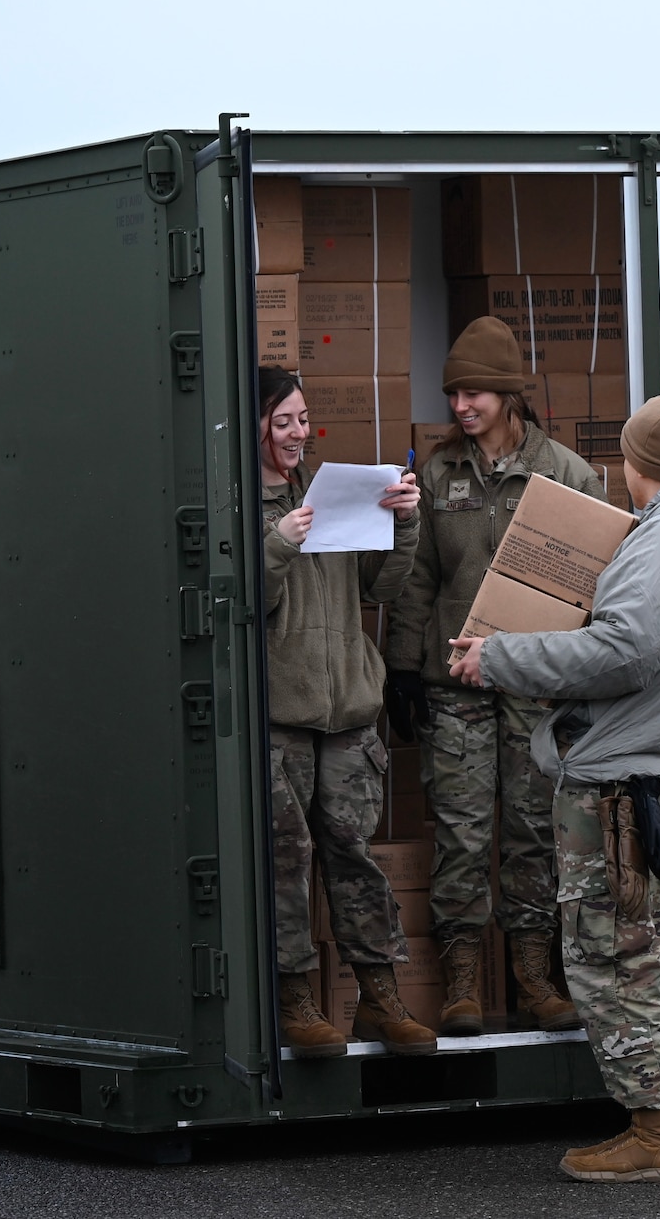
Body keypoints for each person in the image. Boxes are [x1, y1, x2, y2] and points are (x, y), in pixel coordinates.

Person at [449, 397, 660, 1183]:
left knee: (609, 955)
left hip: (624, 781)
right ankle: (656, 1118)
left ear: (639, 464)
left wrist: (500, 660)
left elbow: (625, 651)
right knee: (632, 947)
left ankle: (657, 1133)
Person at [384, 317, 608, 1036]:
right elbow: (417, 578)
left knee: (535, 833)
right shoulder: (436, 473)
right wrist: (402, 668)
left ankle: (535, 978)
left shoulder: (566, 474)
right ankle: (461, 983)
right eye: (453, 394)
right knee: (460, 830)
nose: (461, 407)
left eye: (474, 393)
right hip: (457, 686)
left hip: (537, 687)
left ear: (511, 395)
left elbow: (595, 586)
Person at [256, 365, 436, 1057]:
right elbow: (243, 604)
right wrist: (278, 544)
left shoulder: (329, 493)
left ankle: (378, 997)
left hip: (349, 715)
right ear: (256, 428)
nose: (298, 433)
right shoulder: (240, 503)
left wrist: (405, 523)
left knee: (353, 853)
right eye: (283, 422)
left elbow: (381, 587)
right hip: (284, 714)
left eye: (303, 419)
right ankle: (294, 998)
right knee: (285, 859)